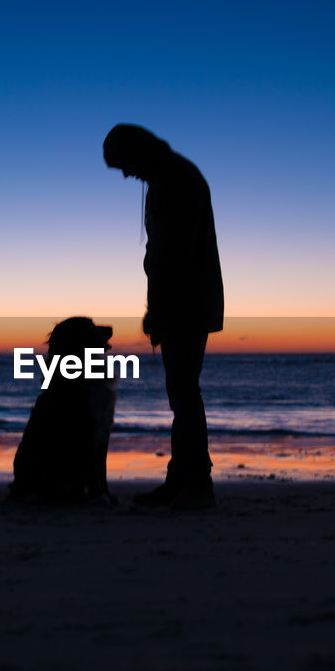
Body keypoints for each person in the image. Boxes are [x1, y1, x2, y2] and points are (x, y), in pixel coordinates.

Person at [103, 124, 223, 508]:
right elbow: (164, 256)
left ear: (138, 152)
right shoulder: (170, 177)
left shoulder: (176, 180)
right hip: (186, 303)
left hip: (186, 305)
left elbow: (174, 257)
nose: (125, 174)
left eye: (123, 164)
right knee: (183, 393)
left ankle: (194, 486)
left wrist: (159, 311)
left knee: (184, 393)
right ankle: (185, 481)